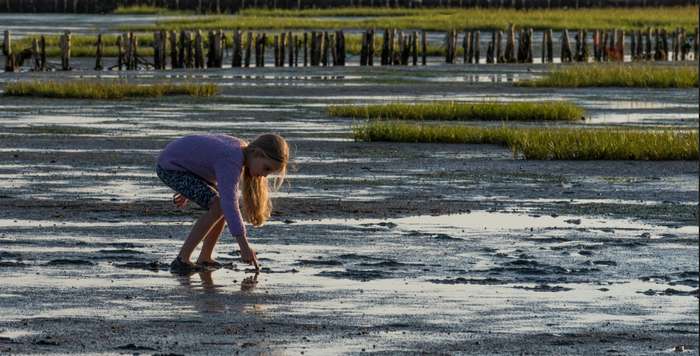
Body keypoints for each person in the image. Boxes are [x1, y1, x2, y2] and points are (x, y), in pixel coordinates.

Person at [155, 133, 289, 273]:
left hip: (186, 168)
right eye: (266, 168)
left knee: (221, 206)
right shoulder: (231, 158)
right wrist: (244, 246)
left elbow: (204, 160)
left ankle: (205, 257)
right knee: (219, 205)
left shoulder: (239, 151)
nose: (265, 175)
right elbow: (230, 202)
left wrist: (190, 188)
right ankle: (182, 260)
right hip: (170, 167)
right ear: (257, 153)